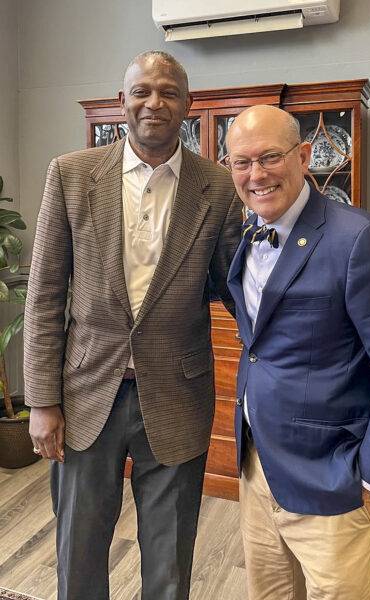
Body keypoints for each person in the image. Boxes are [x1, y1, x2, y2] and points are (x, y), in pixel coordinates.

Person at [24, 50, 241, 600]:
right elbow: (46, 295)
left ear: (188, 106)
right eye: (142, 91)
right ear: (122, 102)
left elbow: (234, 286)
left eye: (168, 92)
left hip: (177, 396)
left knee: (169, 560)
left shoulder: (216, 187)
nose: (154, 102)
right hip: (84, 396)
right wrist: (42, 402)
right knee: (79, 548)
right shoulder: (71, 175)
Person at [224, 104, 370, 600]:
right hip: (257, 472)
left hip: (334, 481)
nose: (256, 175)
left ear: (303, 156)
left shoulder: (358, 239)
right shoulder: (244, 235)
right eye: (241, 162)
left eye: (270, 157)